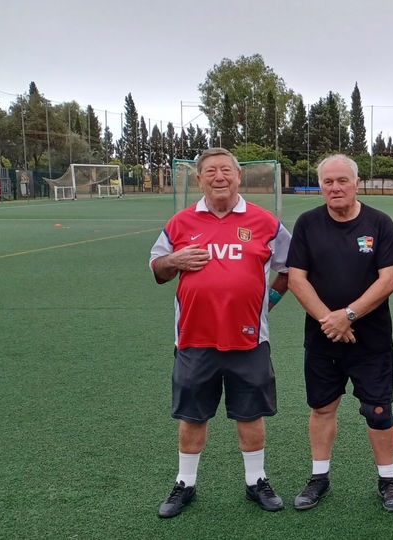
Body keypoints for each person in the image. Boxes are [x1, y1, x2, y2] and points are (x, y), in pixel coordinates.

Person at [148, 147, 292, 518]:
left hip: (248, 339)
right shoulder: (180, 222)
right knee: (193, 415)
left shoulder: (265, 222)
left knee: (250, 413)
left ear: (239, 176)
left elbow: (290, 268)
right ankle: (185, 483)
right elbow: (158, 269)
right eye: (210, 171)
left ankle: (256, 481)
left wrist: (268, 302)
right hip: (194, 338)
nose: (219, 176)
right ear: (199, 179)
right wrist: (174, 260)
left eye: (226, 169)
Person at [286, 153, 393, 512]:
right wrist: (330, 320)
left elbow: (389, 279)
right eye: (328, 181)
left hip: (371, 340)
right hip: (323, 339)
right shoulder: (308, 223)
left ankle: (388, 480)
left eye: (342, 181)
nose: (335, 187)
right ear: (321, 186)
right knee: (323, 408)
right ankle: (319, 477)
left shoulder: (379, 223)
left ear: (356, 184)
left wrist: (349, 315)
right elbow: (296, 279)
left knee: (379, 412)